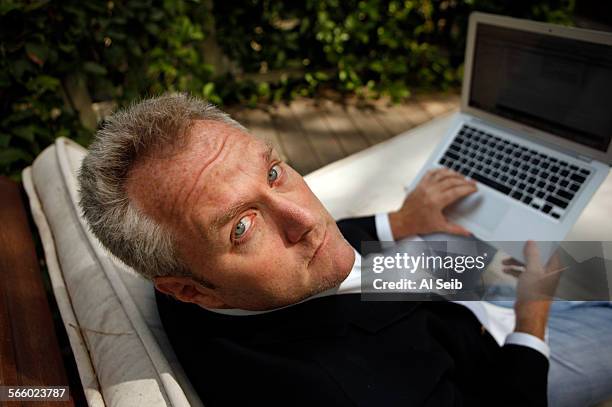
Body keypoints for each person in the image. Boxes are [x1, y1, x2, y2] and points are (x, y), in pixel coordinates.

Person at [78, 93, 612, 407]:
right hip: (501, 358)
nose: (310, 220)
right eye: (242, 227)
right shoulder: (345, 392)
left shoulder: (200, 263)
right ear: (190, 290)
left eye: (273, 172)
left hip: (399, 284)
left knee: (596, 270)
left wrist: (397, 221)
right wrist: (530, 325)